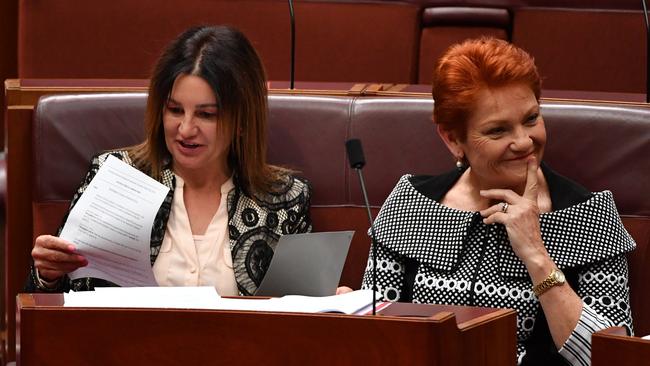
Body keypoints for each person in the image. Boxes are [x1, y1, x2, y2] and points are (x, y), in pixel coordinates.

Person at [361, 38, 635, 365]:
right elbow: (375, 337)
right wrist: (351, 317)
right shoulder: (410, 203)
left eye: (531, 119)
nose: (523, 141)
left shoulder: (589, 216)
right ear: (452, 139)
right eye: (497, 131)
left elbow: (611, 357)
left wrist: (536, 254)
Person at [26, 25, 312, 296]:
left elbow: (302, 317)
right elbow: (53, 300)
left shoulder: (284, 199)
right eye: (175, 110)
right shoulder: (116, 177)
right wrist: (47, 275)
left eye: (206, 114)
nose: (186, 129)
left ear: (241, 121)